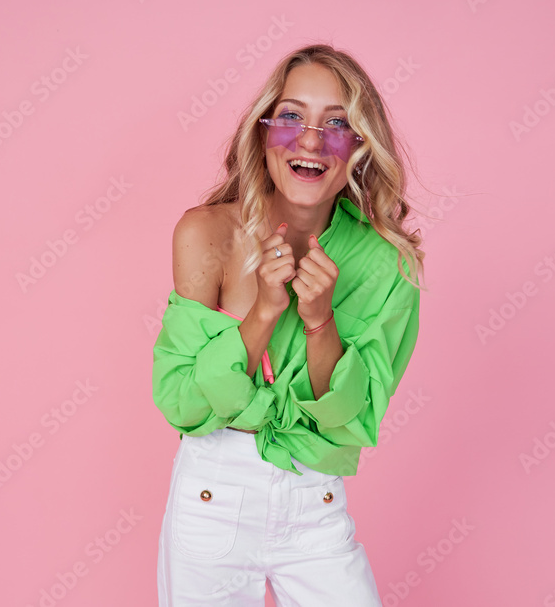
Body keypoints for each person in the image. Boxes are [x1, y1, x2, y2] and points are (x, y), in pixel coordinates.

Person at [152, 43, 425, 606]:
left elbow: (350, 419)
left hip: (314, 503)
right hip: (213, 497)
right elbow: (184, 404)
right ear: (263, 133)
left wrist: (320, 322)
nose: (311, 141)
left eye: (337, 124)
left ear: (360, 148)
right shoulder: (207, 234)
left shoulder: (388, 263)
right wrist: (263, 312)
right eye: (292, 117)